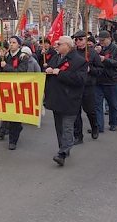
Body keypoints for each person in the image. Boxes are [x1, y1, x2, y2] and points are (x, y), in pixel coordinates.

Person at [44, 36, 88, 166]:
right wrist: (48, 71)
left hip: (70, 99)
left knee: (67, 127)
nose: (56, 45)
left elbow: (80, 80)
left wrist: (60, 73)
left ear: (67, 46)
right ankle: (63, 148)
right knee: (59, 127)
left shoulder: (79, 61)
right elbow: (52, 70)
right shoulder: (56, 57)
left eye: (59, 43)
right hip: (56, 97)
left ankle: (62, 153)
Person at [0, 35, 29, 149]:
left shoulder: (23, 57)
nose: (11, 44)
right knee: (7, 112)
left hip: (18, 89)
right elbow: (0, 72)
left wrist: (7, 67)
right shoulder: (5, 56)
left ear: (19, 44)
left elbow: (21, 72)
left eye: (14, 42)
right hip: (6, 88)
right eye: (10, 42)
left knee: (15, 114)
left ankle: (13, 140)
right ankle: (8, 129)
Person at [71, 30, 103, 144]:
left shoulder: (92, 53)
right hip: (75, 85)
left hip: (88, 86)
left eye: (80, 39)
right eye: (76, 40)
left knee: (90, 110)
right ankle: (78, 136)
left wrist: (91, 70)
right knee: (75, 112)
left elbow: (100, 70)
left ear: (86, 40)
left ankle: (95, 126)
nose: (78, 42)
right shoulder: (72, 53)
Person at [95, 31, 117, 133]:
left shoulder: (116, 48)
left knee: (113, 104)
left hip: (112, 80)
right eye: (100, 40)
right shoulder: (98, 48)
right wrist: (96, 52)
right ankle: (99, 125)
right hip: (99, 80)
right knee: (97, 104)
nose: (101, 42)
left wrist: (104, 59)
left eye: (103, 40)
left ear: (109, 39)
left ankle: (113, 123)